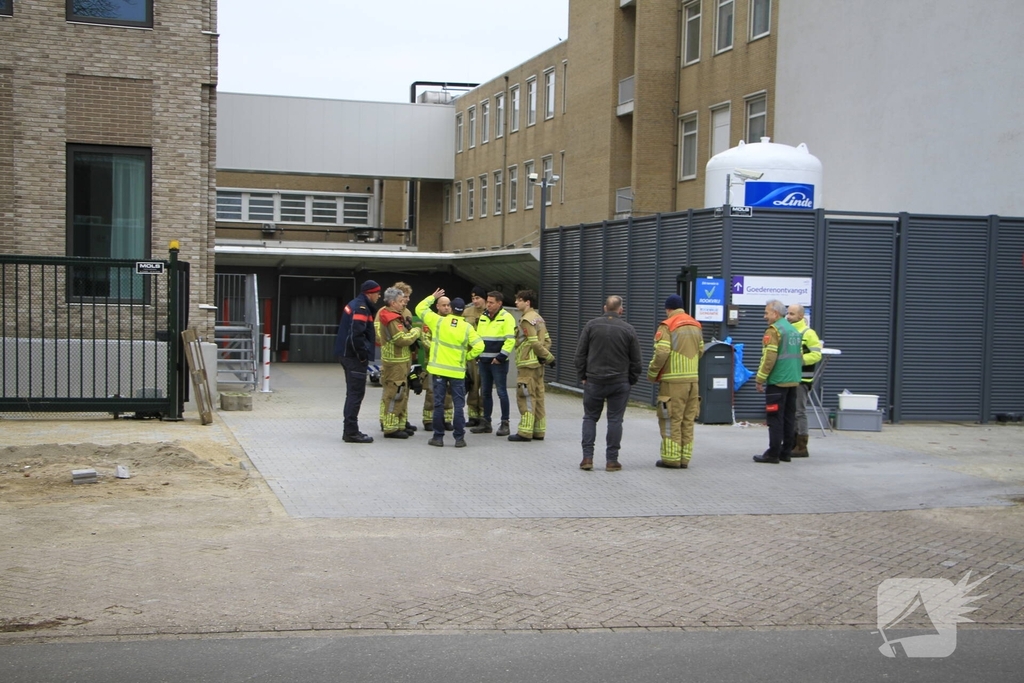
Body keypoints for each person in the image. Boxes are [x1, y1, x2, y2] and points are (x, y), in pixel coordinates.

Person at [574, 295, 642, 472]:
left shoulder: (591, 326)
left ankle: (587, 458)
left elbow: (580, 354)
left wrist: (583, 375)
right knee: (615, 419)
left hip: (594, 380)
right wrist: (631, 379)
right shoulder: (628, 329)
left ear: (605, 308)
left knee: (590, 417)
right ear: (621, 310)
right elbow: (636, 360)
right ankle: (612, 460)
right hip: (619, 382)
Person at [415, 289, 484, 448]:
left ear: (451, 308)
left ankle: (438, 438)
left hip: (438, 371)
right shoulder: (467, 327)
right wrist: (467, 356)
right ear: (462, 311)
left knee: (438, 404)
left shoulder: (438, 321)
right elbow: (480, 346)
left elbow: (419, 308)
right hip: (457, 372)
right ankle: (459, 439)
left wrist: (432, 297)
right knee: (459, 405)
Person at [646, 294, 704, 469]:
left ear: (668, 309)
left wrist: (652, 372)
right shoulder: (696, 324)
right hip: (693, 381)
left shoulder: (667, 326)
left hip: (673, 383)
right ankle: (684, 458)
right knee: (688, 419)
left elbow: (662, 352)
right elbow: (701, 350)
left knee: (671, 418)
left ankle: (671, 459)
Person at [753, 299, 804, 464]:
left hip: (777, 381)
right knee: (789, 417)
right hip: (793, 381)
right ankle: (786, 451)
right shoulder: (793, 330)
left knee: (774, 417)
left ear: (775, 313)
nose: (764, 316)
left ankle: (773, 453)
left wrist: (760, 379)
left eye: (766, 313)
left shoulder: (774, 330)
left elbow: (769, 358)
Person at [334, 279, 381, 444]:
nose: (379, 296)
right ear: (370, 293)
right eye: (377, 293)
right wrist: (362, 355)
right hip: (354, 357)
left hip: (347, 355)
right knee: (355, 394)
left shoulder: (355, 304)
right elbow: (356, 335)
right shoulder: (362, 308)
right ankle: (351, 432)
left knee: (352, 394)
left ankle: (350, 430)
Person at [374, 287, 421, 439]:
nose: (404, 304)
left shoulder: (390, 314)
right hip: (396, 361)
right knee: (395, 393)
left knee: (400, 392)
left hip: (398, 360)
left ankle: (399, 423)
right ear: (393, 302)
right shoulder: (391, 318)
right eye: (401, 301)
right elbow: (402, 339)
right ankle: (390, 427)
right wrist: (416, 332)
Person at [509, 289, 555, 442]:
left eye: (519, 300)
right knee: (539, 396)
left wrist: (548, 357)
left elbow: (533, 342)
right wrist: (543, 357)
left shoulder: (526, 320)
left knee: (526, 396)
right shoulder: (539, 319)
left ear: (527, 302)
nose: (516, 302)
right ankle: (539, 431)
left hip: (527, 365)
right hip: (538, 365)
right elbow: (547, 340)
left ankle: (525, 432)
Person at [471, 290, 516, 437]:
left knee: (501, 392)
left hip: (498, 362)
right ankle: (486, 422)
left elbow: (510, 340)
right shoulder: (483, 317)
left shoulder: (507, 317)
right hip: (484, 361)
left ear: (499, 303)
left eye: (491, 302)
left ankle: (505, 423)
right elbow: (478, 336)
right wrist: (477, 354)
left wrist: (501, 357)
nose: (488, 305)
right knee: (485, 392)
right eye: (488, 302)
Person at [785, 303, 822, 458]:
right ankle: (791, 443)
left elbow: (816, 355)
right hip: (790, 378)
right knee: (791, 412)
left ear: (801, 316)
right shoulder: (788, 331)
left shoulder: (808, 333)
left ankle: (802, 446)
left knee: (800, 412)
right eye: (788, 313)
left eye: (792, 314)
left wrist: (799, 360)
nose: (788, 316)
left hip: (802, 379)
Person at [392, 282, 420, 434]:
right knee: (392, 392)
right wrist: (416, 333)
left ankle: (402, 419)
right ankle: (389, 420)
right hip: (393, 358)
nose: (408, 299)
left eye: (409, 297)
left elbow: (409, 335)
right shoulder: (386, 313)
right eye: (405, 296)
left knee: (404, 390)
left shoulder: (407, 312)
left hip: (406, 356)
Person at [462, 286, 487, 427]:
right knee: (472, 384)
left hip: (485, 354)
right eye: (473, 298)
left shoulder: (490, 313)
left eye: (478, 298)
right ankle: (472, 415)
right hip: (471, 354)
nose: (475, 301)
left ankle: (483, 414)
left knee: (484, 386)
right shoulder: (466, 312)